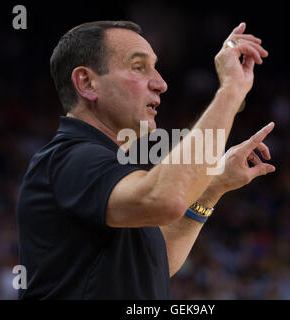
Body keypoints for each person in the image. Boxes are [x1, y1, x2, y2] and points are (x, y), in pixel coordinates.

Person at [16, 20, 275, 299]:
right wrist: (231, 91)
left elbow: (155, 262)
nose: (161, 83)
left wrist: (213, 189)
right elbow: (165, 199)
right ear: (87, 83)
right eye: (139, 67)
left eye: (155, 67)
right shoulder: (70, 157)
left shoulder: (108, 165)